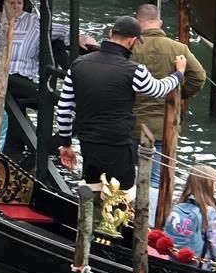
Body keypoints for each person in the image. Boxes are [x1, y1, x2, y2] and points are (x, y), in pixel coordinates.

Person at [56, 16, 187, 190]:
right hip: (118, 144)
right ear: (132, 41)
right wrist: (179, 73)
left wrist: (66, 144)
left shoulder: (78, 65)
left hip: (88, 143)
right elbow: (159, 89)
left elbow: (65, 108)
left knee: (92, 188)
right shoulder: (133, 70)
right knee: (120, 195)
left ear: (111, 33)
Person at [130, 3, 205, 187]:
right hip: (164, 125)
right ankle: (152, 213)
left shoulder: (129, 47)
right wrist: (178, 95)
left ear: (136, 22)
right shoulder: (179, 49)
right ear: (160, 22)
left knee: (126, 177)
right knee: (155, 180)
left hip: (132, 123)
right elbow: (199, 77)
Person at [164, 164, 216, 265]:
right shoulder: (209, 212)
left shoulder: (178, 204)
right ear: (209, 186)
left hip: (173, 261)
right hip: (197, 267)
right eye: (215, 185)